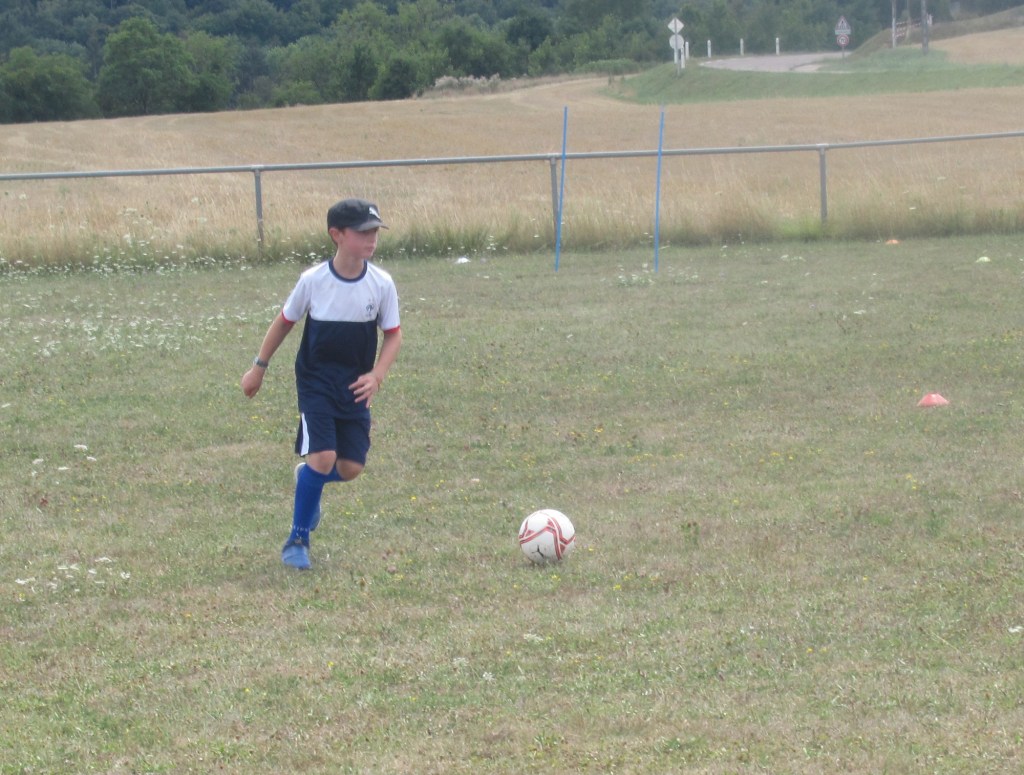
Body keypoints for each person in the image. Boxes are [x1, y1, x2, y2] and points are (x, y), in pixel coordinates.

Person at [241, 198, 402, 570]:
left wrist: (377, 375)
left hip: (355, 386)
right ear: (337, 235)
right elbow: (284, 322)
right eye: (362, 232)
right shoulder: (313, 281)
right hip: (316, 382)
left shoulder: (381, 284)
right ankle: (297, 539)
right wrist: (258, 367)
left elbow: (393, 334)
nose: (371, 239)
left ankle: (308, 481)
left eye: (375, 232)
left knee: (351, 467)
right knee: (324, 456)